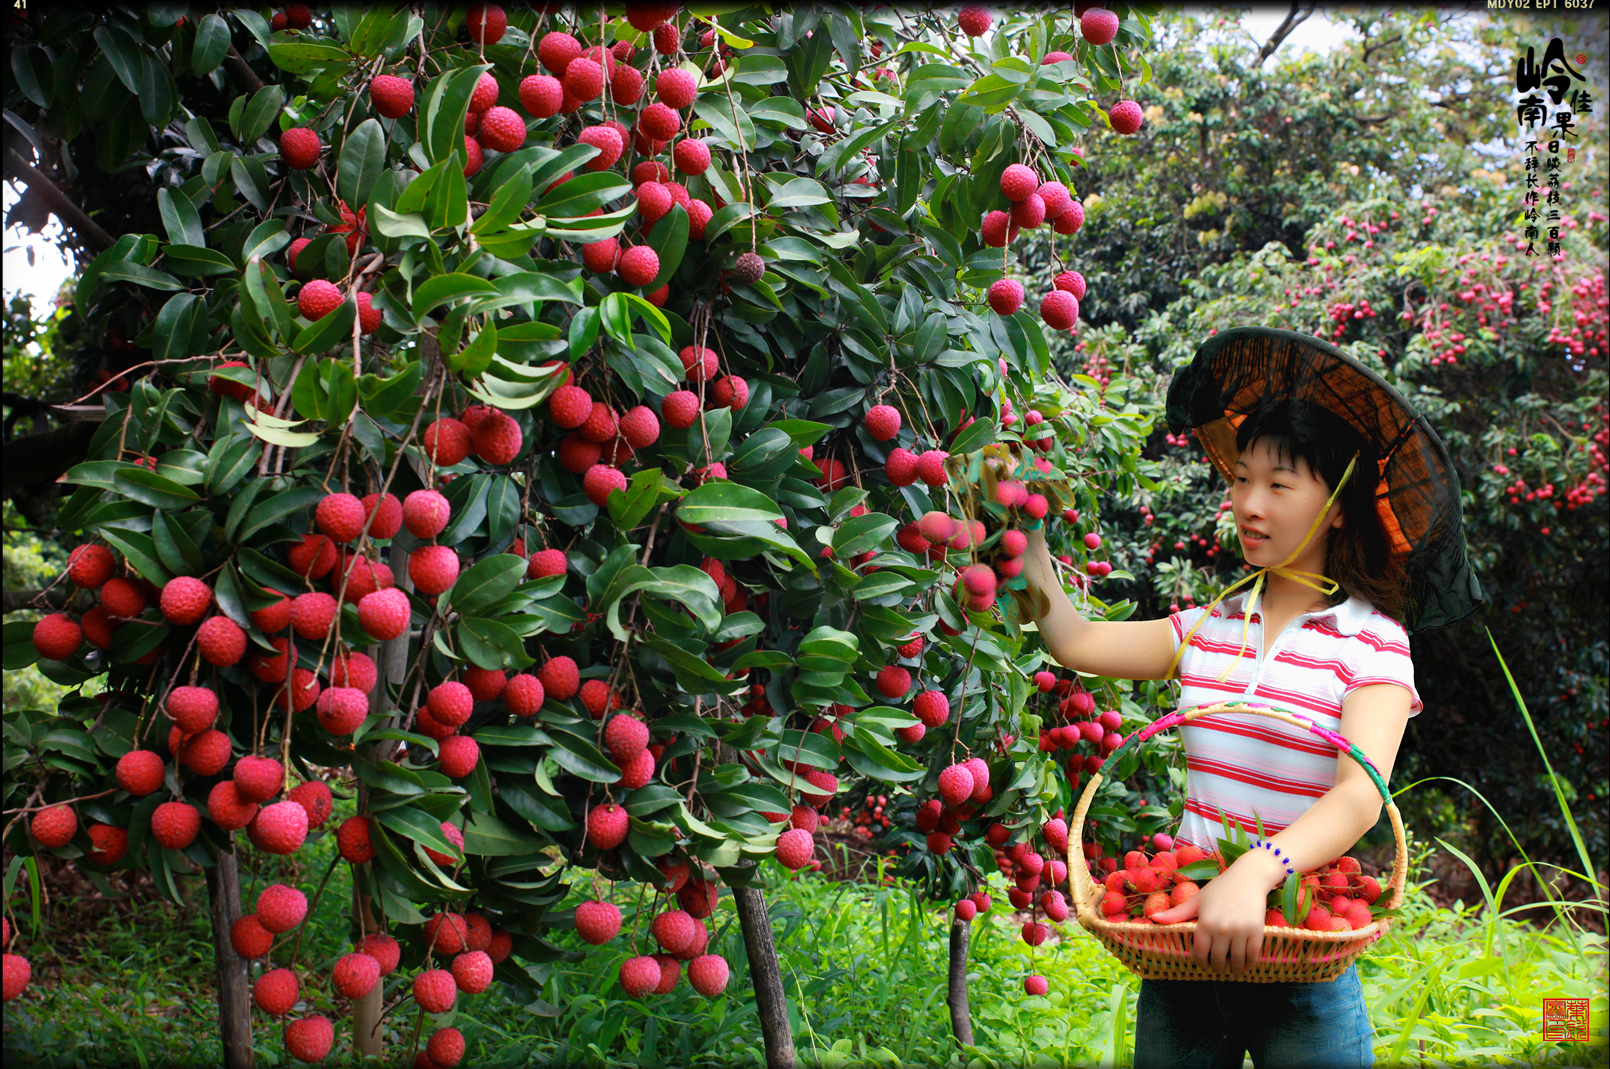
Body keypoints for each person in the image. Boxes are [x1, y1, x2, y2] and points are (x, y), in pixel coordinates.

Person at [1016, 327, 1483, 1069]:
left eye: (1278, 484)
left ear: (1335, 505)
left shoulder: (1372, 639)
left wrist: (1258, 868)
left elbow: (1360, 796)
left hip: (1299, 963)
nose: (1248, 503)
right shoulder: (1210, 625)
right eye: (1241, 480)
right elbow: (1073, 641)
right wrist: (1024, 533)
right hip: (1184, 956)